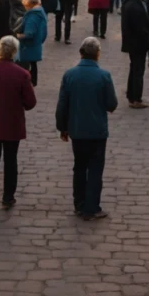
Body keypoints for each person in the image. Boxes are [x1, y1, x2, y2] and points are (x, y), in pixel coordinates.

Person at [56, 37, 119, 221]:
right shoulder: (104, 76)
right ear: (97, 54)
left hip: (77, 130)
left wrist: (62, 127)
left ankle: (79, 204)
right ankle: (92, 207)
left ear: (81, 53)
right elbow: (112, 104)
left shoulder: (69, 75)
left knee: (79, 167)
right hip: (97, 130)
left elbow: (62, 105)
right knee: (95, 168)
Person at [0, 36, 37, 217]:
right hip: (13, 123)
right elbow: (30, 102)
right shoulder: (22, 74)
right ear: (14, 52)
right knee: (11, 161)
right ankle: (8, 197)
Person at [121, 0, 149, 109]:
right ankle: (136, 98)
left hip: (133, 42)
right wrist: (148, 38)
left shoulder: (130, 1)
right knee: (138, 71)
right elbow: (139, 27)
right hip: (137, 43)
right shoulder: (134, 5)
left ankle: (132, 95)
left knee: (134, 69)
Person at [16, 0, 48, 86]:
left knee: (28, 70)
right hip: (34, 46)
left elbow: (29, 34)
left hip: (28, 48)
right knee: (32, 67)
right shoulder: (40, 11)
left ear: (28, 2)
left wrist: (16, 36)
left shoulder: (33, 15)